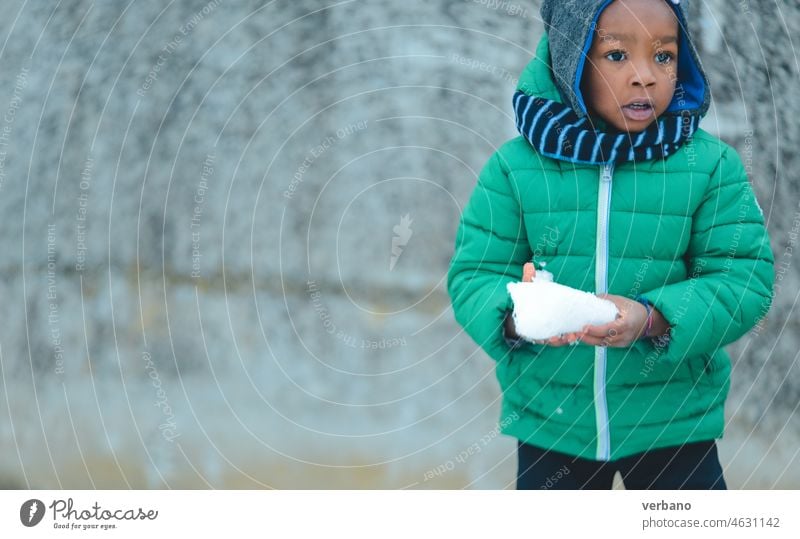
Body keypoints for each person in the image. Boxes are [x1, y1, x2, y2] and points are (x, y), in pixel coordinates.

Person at [447, 0, 775, 489]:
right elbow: (474, 276)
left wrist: (654, 317)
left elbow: (743, 277)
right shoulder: (516, 168)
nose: (645, 76)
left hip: (672, 423)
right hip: (553, 423)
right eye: (617, 55)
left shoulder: (708, 167)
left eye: (664, 56)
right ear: (570, 59)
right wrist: (520, 313)